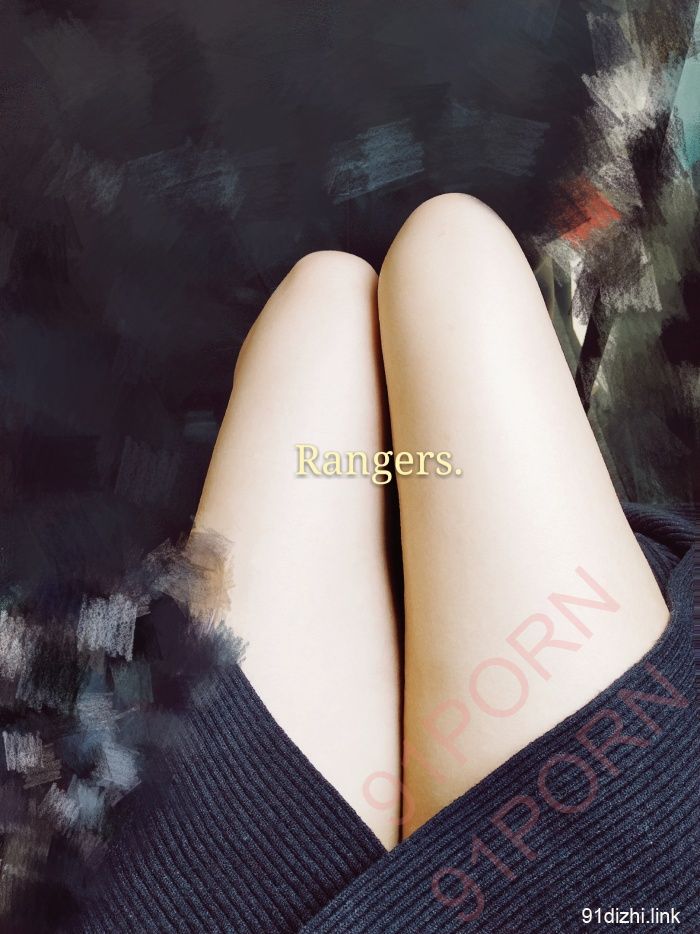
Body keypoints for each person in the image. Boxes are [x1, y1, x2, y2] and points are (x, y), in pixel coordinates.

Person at [73, 194, 697, 933]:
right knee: (444, 257)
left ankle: (411, 489)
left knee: (334, 300)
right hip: (622, 881)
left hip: (203, 889)